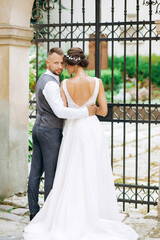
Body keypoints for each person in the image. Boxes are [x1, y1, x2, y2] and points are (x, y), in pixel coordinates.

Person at [24, 47, 139, 240]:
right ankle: (93, 212)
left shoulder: (64, 84)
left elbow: (64, 110)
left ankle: (60, 213)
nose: (63, 67)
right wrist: (89, 110)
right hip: (92, 130)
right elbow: (102, 111)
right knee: (92, 170)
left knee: (70, 171)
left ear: (70, 65)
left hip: (73, 130)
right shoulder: (97, 82)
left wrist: (79, 108)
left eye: (64, 64)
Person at [28, 47, 97, 221]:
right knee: (51, 174)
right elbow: (60, 111)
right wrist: (85, 112)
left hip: (38, 129)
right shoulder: (51, 83)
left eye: (62, 63)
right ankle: (47, 216)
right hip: (49, 132)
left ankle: (34, 212)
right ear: (48, 63)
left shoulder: (44, 78)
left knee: (35, 173)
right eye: (56, 63)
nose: (60, 67)